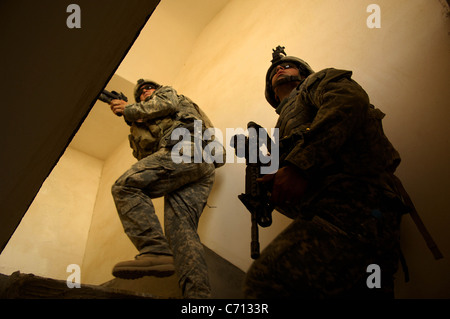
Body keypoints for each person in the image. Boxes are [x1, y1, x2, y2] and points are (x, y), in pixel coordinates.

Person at [243, 46, 410, 299]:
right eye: (274, 72)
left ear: (303, 73)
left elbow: (347, 102)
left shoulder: (317, 82)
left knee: (268, 280)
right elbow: (292, 192)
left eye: (288, 65)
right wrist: (263, 174)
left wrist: (300, 165)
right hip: (343, 213)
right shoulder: (281, 130)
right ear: (274, 97)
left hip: (355, 201)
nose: (279, 67)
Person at [108, 79, 224, 299]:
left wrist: (128, 109)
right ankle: (198, 298)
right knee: (181, 235)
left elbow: (165, 105)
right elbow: (148, 159)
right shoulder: (141, 125)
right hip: (192, 165)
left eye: (149, 88)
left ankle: (154, 250)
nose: (145, 92)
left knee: (125, 187)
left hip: (187, 150)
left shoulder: (169, 95)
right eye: (140, 92)